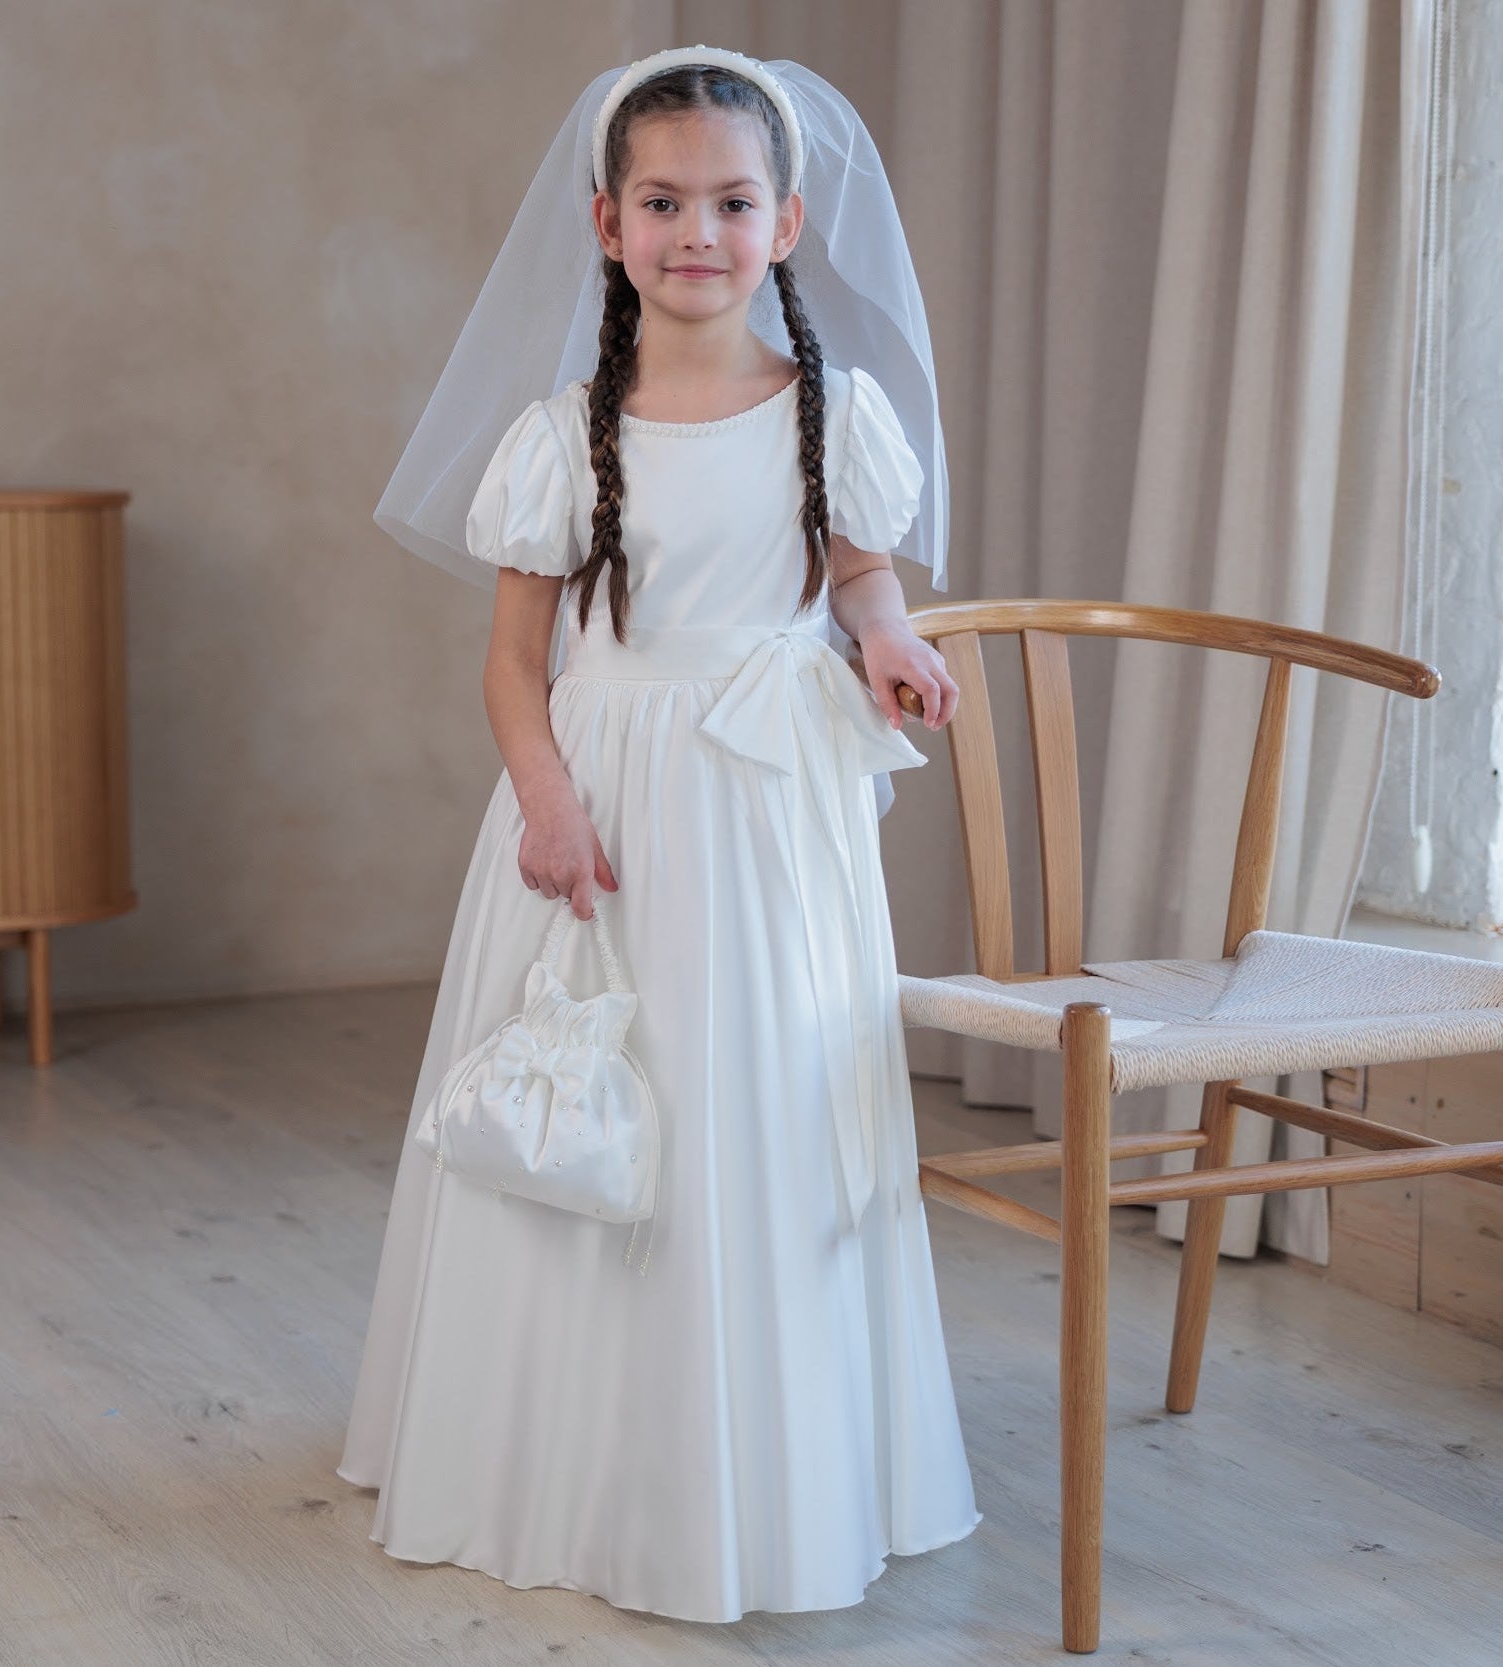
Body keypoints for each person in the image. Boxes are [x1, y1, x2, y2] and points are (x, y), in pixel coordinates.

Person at [336, 44, 981, 1622]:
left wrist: (890, 640)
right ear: (608, 224)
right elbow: (514, 664)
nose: (701, 231)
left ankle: (772, 1463)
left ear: (788, 223)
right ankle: (563, 1460)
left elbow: (859, 578)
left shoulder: (833, 413)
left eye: (734, 203)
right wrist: (549, 801)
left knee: (757, 1103)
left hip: (769, 811)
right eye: (666, 202)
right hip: (604, 802)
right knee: (602, 1089)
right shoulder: (566, 436)